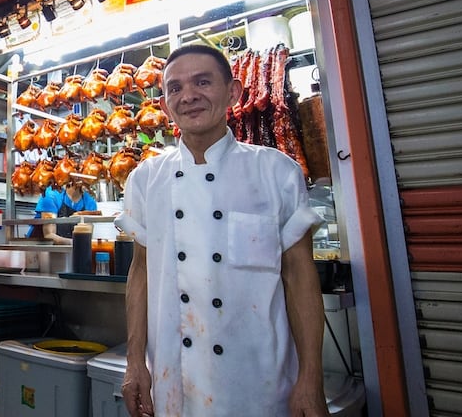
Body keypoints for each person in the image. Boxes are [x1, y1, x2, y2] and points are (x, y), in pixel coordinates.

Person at [115, 44, 327, 416]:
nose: (189, 96)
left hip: (258, 382)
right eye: (175, 88)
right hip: (174, 380)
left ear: (233, 93)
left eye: (203, 82)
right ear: (164, 105)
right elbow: (141, 272)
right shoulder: (146, 179)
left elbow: (300, 277)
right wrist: (136, 365)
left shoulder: (277, 172)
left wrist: (311, 378)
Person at [34, 182, 99, 244]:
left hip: (71, 251)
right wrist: (76, 243)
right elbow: (49, 235)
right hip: (41, 249)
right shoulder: (52, 194)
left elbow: (86, 236)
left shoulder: (89, 202)